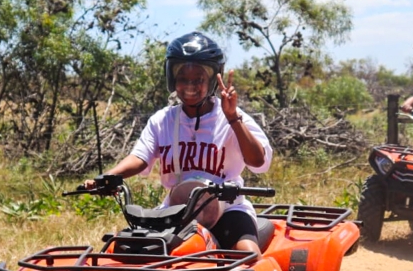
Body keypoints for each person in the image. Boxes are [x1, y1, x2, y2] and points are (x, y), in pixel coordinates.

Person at [84, 31, 273, 256]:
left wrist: (233, 118)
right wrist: (108, 177)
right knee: (129, 252)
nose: (190, 86)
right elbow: (140, 158)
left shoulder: (230, 117)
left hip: (228, 210)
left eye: (198, 80)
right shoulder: (163, 120)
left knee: (247, 255)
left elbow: (259, 162)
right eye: (183, 79)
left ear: (213, 80)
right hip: (176, 211)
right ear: (173, 80)